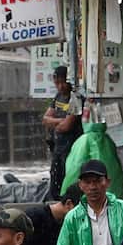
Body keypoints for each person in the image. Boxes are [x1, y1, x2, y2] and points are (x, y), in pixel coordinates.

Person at [41, 66, 83, 201]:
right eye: (57, 83)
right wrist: (59, 121)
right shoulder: (58, 97)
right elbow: (45, 119)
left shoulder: (75, 98)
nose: (60, 86)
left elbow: (67, 126)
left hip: (71, 148)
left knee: (68, 177)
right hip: (57, 147)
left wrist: (56, 123)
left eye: (63, 82)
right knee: (55, 177)